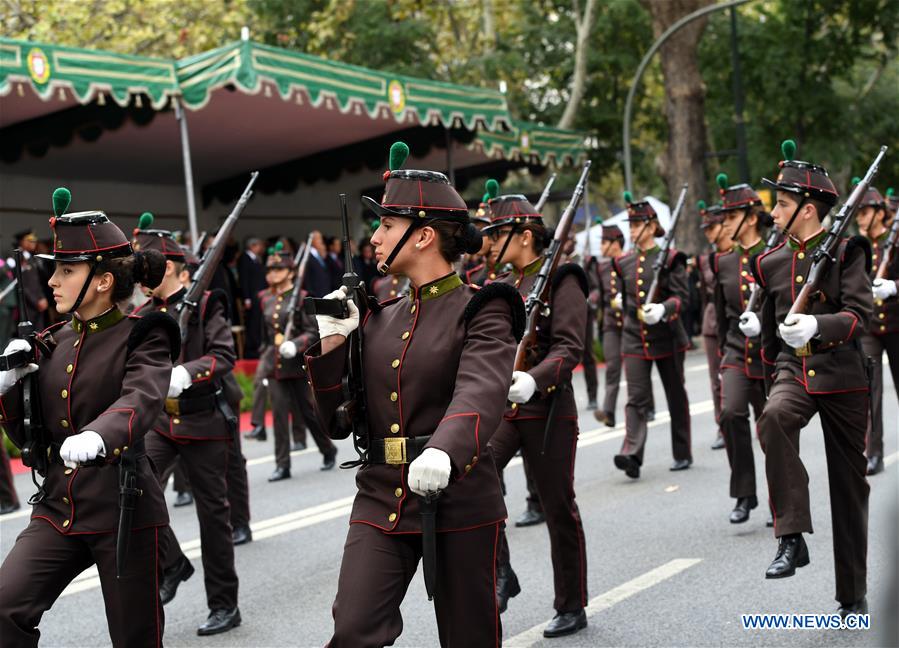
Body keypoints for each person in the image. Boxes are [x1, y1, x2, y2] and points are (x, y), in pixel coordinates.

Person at [305, 142, 522, 647]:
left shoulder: (483, 309)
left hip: (459, 495)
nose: (375, 238)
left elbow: (481, 388)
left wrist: (446, 447)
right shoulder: (380, 315)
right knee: (354, 628)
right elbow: (337, 424)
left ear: (423, 236)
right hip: (382, 494)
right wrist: (334, 343)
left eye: (386, 226)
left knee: (470, 635)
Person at [0, 189, 176, 647]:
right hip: (59, 506)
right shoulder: (52, 341)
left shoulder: (144, 334)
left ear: (101, 281)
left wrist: (100, 433)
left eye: (66, 270)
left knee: (135, 636)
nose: (53, 281)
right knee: (6, 606)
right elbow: (28, 439)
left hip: (124, 506)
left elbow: (141, 398)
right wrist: (10, 390)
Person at [746, 139, 871, 618]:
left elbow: (859, 315)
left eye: (781, 203)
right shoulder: (770, 262)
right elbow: (770, 343)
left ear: (807, 209)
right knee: (773, 417)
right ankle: (791, 536)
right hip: (793, 370)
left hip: (842, 373)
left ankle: (851, 594)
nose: (772, 211)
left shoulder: (846, 250)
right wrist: (773, 371)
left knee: (848, 486)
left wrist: (820, 324)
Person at [482, 179, 590, 637]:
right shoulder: (502, 285)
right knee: (472, 474)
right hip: (505, 409)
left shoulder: (563, 277)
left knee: (558, 506)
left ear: (524, 235)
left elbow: (570, 346)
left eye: (497, 232)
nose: (488, 241)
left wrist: (536, 377)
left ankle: (572, 604)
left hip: (547, 409)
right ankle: (502, 571)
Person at [132, 215, 242, 635]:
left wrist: (187, 372)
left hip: (203, 422)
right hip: (162, 425)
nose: (145, 279)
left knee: (213, 518)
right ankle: (173, 563)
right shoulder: (144, 313)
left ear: (176, 267)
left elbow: (223, 356)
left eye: (152, 269)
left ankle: (224, 605)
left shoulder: (207, 302)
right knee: (135, 489)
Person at [613, 192, 692, 479]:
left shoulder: (671, 258)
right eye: (630, 225)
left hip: (667, 335)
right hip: (634, 336)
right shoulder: (623, 263)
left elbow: (683, 298)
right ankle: (632, 453)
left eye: (636, 225)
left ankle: (682, 451)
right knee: (636, 397)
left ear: (651, 225)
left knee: (675, 395)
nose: (632, 231)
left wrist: (663, 308)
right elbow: (625, 296)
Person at [711, 175, 771, 524]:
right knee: (731, 413)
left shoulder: (774, 254)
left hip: (768, 355)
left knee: (772, 430)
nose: (725, 224)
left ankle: (781, 501)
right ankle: (744, 494)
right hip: (735, 352)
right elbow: (720, 317)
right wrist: (724, 354)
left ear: (749, 218)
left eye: (730, 218)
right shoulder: (722, 262)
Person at [262, 243, 337, 480]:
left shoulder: (302, 297)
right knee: (279, 415)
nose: (273, 274)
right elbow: (266, 337)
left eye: (278, 270)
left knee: (308, 412)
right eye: (271, 270)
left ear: (291, 272)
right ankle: (282, 465)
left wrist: (295, 344)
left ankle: (328, 449)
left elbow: (313, 332)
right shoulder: (266, 299)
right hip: (275, 365)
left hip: (296, 365)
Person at [855, 184, 897, 476]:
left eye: (865, 211)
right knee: (870, 390)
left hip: (897, 325)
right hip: (870, 326)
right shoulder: (858, 247)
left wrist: (895, 287)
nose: (860, 217)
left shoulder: (895, 243)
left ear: (881, 213)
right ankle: (874, 453)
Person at [696, 201, 728, 450]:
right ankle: (723, 427)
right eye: (705, 228)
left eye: (711, 227)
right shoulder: (705, 259)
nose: (708, 232)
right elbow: (706, 296)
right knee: (716, 379)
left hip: (737, 320)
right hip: (712, 323)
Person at [593, 224, 626, 427]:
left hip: (631, 322)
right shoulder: (601, 267)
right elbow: (597, 290)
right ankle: (609, 412)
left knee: (636, 369)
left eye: (604, 242)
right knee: (612, 367)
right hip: (611, 324)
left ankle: (646, 407)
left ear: (615, 243)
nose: (601, 246)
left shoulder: (629, 261)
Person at [237, 237, 267, 358]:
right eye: (259, 245)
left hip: (258, 296)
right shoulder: (244, 258)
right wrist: (247, 298)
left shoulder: (255, 259)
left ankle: (257, 345)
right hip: (252, 297)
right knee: (252, 323)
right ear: (253, 246)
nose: (261, 248)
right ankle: (251, 350)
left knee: (257, 322)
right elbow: (244, 279)